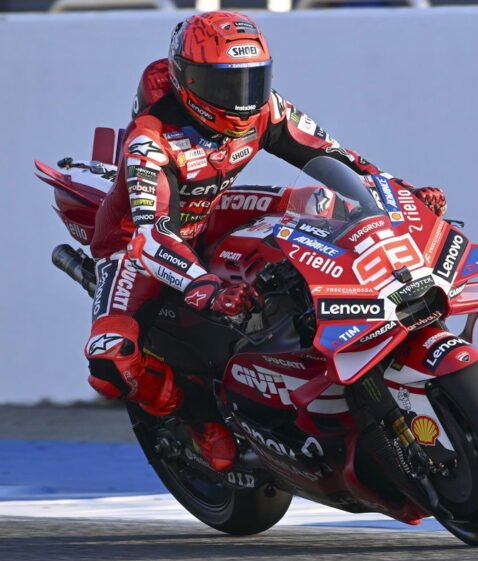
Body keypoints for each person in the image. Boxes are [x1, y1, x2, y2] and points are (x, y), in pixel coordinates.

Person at [84, 11, 447, 472]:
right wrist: (205, 287)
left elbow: (338, 158)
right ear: (186, 80)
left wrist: (399, 194)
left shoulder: (267, 109)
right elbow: (152, 234)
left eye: (251, 81)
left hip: (211, 211)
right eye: (223, 85)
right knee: (110, 362)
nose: (241, 100)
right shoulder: (150, 143)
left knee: (322, 203)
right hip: (135, 246)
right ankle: (195, 416)